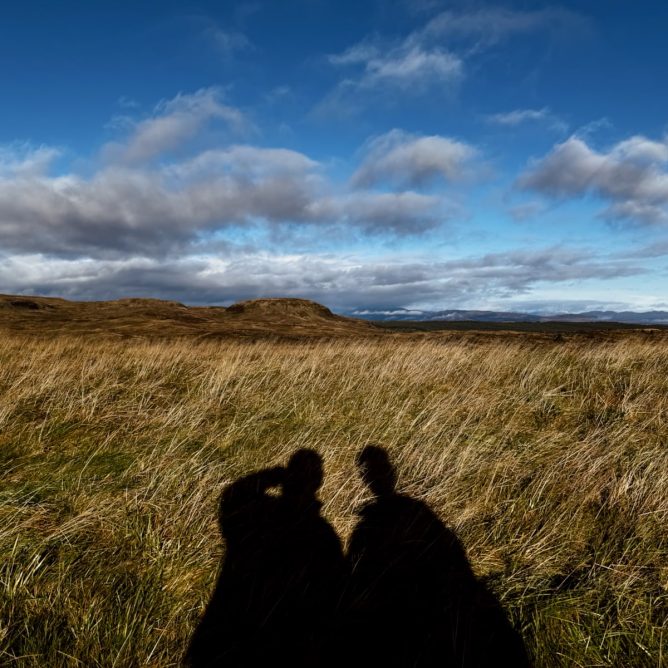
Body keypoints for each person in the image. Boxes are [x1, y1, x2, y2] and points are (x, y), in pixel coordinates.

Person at [344, 445, 530, 667]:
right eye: (379, 470)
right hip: (419, 613)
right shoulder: (400, 517)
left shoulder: (386, 520)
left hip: (417, 612)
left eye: (383, 469)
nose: (383, 476)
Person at [185, 449, 344, 667]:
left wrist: (273, 475)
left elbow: (233, 494)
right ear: (318, 482)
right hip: (287, 643)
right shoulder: (324, 535)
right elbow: (333, 594)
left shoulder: (259, 513)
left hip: (235, 634)